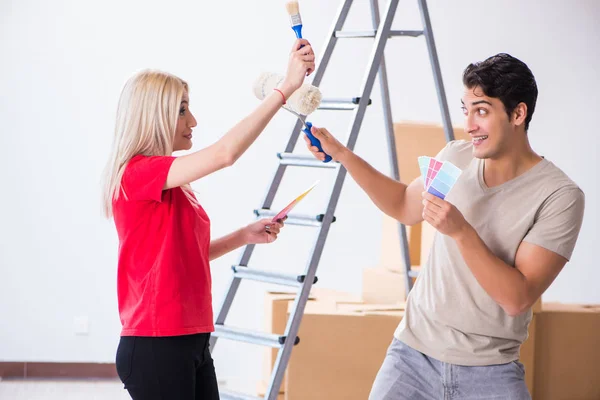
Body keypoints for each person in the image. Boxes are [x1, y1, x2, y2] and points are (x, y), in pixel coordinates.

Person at [304, 53, 585, 399]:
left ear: (518, 114)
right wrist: (343, 155)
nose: (469, 125)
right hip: (412, 358)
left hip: (490, 371)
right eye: (465, 110)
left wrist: (461, 232)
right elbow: (404, 206)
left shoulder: (559, 195)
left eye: (481, 110)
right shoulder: (456, 157)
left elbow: (517, 298)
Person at [101, 39, 315, 400]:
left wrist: (243, 235)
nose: (193, 120)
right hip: (157, 343)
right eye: (182, 110)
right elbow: (224, 154)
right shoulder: (137, 174)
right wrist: (285, 89)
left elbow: (184, 254)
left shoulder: (171, 183)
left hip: (191, 338)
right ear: (153, 116)